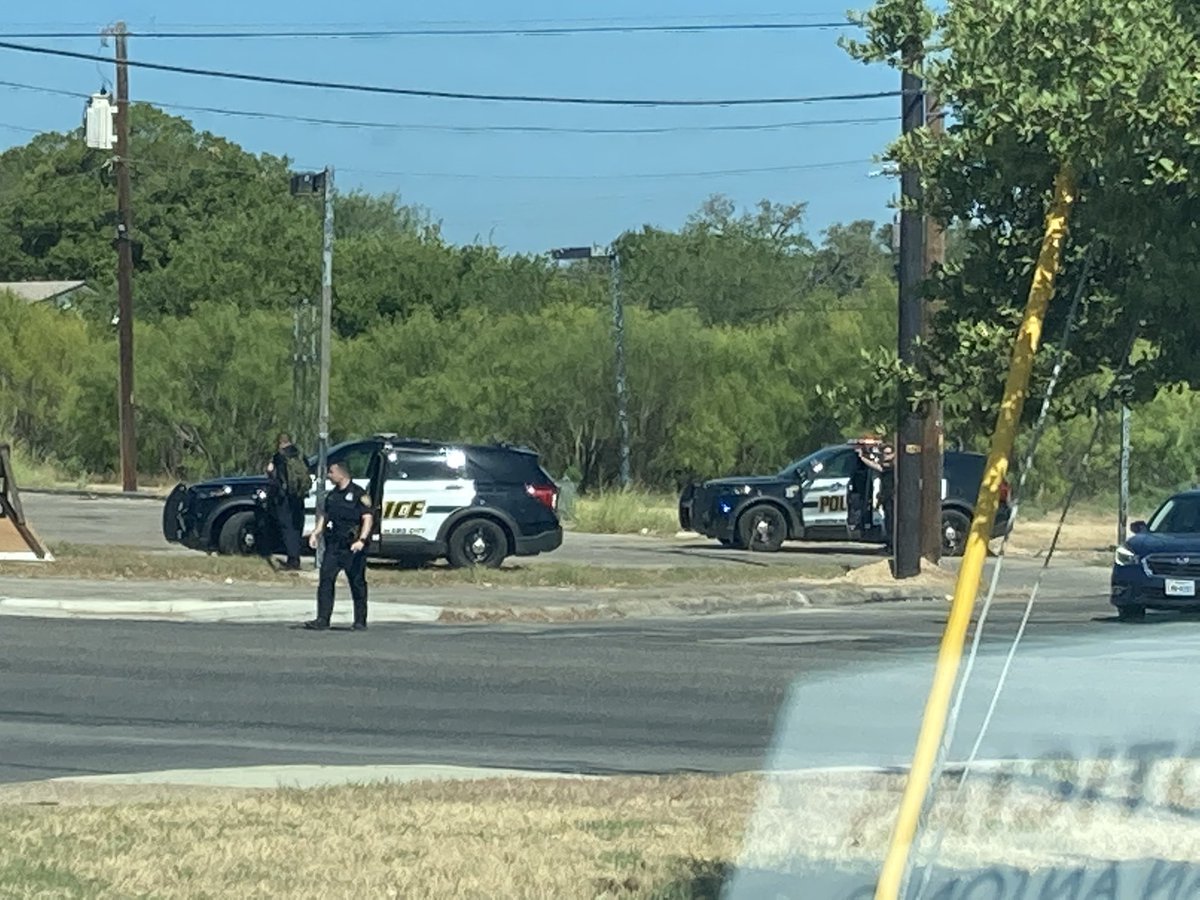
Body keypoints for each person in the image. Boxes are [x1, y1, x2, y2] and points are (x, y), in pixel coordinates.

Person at [304, 461, 374, 631]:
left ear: (341, 474)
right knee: (326, 580)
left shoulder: (359, 494)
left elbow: (368, 519)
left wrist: (362, 540)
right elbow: (324, 516)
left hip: (353, 546)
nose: (328, 475)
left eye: (331, 472)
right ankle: (322, 619)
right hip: (334, 545)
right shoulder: (332, 496)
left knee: (357, 583)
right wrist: (316, 533)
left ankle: (360, 621)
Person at [266, 433, 308, 571]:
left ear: (279, 443)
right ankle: (296, 556)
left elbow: (271, 472)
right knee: (297, 527)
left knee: (287, 527)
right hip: (299, 496)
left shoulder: (279, 457)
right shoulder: (300, 454)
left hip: (284, 497)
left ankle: (292, 560)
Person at [857, 441, 896, 552]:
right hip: (886, 497)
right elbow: (875, 466)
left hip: (893, 497)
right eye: (884, 453)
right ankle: (890, 544)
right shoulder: (886, 465)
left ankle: (892, 546)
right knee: (888, 521)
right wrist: (862, 458)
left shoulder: (894, 466)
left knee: (891, 522)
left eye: (888, 453)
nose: (885, 455)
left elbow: (878, 466)